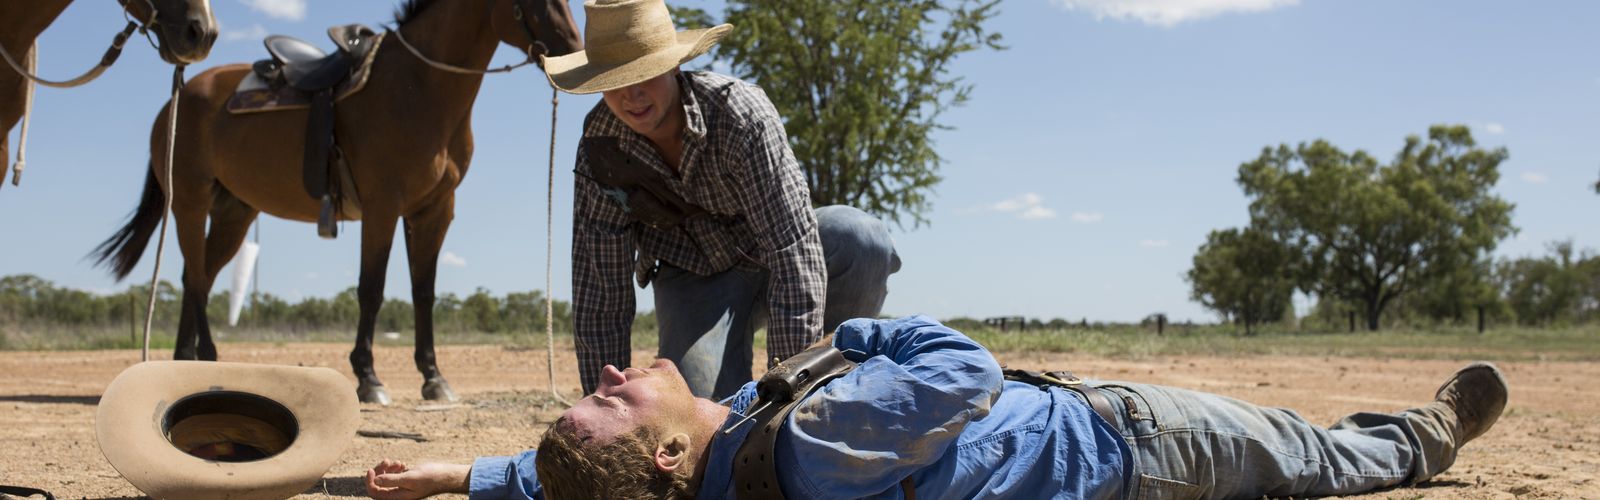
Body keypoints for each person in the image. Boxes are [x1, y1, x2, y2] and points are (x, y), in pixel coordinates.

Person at [365, 315, 1510, 500]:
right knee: (1303, 453)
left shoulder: (712, 470)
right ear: (663, 452)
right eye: (607, 401)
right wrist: (858, 333)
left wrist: (464, 473)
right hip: (1124, 440)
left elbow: (562, 482)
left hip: (1105, 440)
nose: (610, 375)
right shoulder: (812, 440)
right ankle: (1420, 440)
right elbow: (962, 365)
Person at [544, 0, 901, 400]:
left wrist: (791, 390)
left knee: (860, 237)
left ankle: (832, 386)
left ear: (673, 65)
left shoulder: (739, 115)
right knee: (701, 408)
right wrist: (606, 403)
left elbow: (791, 249)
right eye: (614, 80)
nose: (632, 94)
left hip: (766, 256)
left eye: (644, 73)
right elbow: (600, 292)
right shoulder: (601, 149)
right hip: (690, 279)